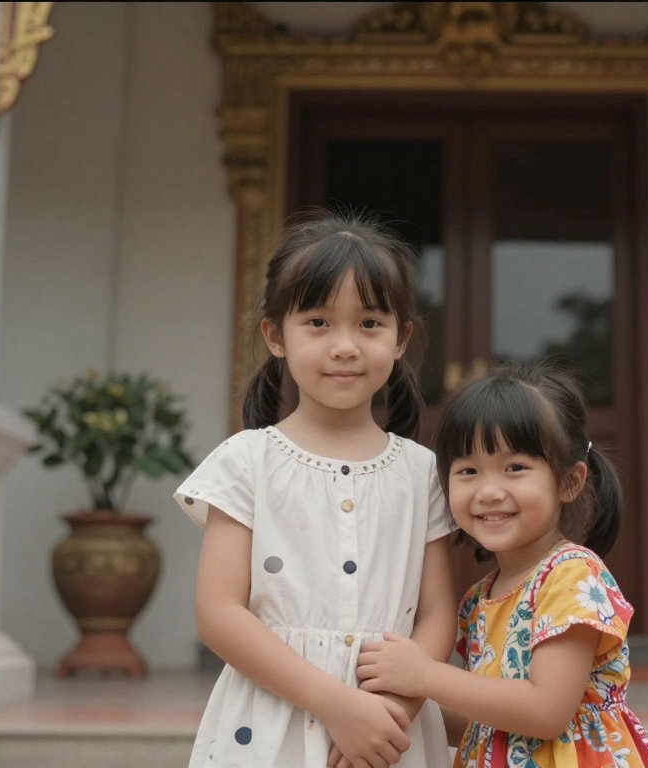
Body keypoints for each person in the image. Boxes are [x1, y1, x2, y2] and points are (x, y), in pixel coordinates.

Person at [174, 211, 456, 768]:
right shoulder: (246, 461)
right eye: (319, 322)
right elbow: (218, 613)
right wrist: (337, 706)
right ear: (275, 336)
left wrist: (386, 714)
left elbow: (437, 614)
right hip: (268, 725)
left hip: (390, 730)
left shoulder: (423, 472)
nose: (345, 346)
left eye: (370, 323)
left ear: (402, 339)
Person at [355, 362, 648, 768]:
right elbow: (488, 720)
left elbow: (545, 711)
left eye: (515, 468)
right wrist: (396, 708)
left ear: (569, 482)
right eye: (467, 471)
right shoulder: (480, 598)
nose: (489, 491)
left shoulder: (570, 575)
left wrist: (424, 675)